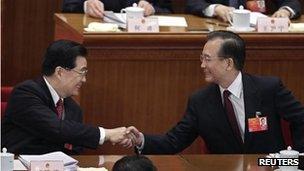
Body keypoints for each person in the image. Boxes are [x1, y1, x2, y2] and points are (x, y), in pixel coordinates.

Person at [126, 30, 304, 154]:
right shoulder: (200, 101)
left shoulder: (269, 88)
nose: (202, 65)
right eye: (202, 58)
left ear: (228, 63)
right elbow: (174, 141)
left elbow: (301, 119)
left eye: (207, 59)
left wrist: (296, 159)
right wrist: (141, 140)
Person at [1, 40, 134, 154]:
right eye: (81, 73)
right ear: (60, 72)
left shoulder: (73, 109)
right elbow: (55, 128)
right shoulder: (26, 93)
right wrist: (106, 134)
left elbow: (75, 151)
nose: (84, 80)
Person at [185, 0, 301, 22]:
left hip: (258, 35)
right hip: (220, 30)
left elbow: (291, 2)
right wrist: (215, 8)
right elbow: (192, 3)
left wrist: (285, 11)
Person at [62, 0, 172, 18]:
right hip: (96, 38)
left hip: (142, 41)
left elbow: (168, 10)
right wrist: (87, 5)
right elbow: (68, 5)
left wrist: (152, 9)